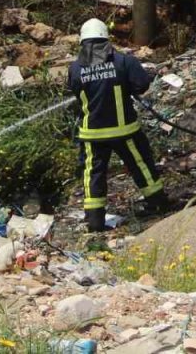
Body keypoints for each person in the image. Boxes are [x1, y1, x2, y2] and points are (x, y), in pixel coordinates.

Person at [67, 18, 169, 232]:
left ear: (82, 42)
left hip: (92, 134)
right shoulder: (124, 61)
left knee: (93, 174)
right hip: (125, 131)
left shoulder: (75, 68)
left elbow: (76, 92)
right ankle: (158, 204)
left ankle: (95, 221)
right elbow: (141, 84)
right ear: (106, 38)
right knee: (141, 165)